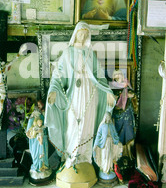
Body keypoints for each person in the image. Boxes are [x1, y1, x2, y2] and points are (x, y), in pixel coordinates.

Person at [45, 22, 116, 171]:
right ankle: (71, 156)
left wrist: (108, 91)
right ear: (75, 34)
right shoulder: (67, 53)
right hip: (74, 94)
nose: (83, 36)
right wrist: (53, 90)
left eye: (86, 34)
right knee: (72, 123)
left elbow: (99, 76)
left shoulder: (90, 53)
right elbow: (58, 75)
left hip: (90, 94)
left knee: (88, 124)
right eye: (81, 33)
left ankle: (84, 158)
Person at [109, 69, 136, 159]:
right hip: (117, 114)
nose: (119, 76)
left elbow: (133, 94)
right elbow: (110, 98)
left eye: (120, 74)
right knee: (117, 134)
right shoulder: (111, 86)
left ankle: (128, 154)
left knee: (129, 133)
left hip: (127, 113)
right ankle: (118, 155)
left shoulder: (126, 83)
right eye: (116, 75)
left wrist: (128, 94)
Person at [93, 112, 122, 180]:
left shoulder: (111, 125)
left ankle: (110, 168)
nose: (108, 118)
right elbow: (99, 135)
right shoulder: (102, 125)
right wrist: (97, 143)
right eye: (107, 117)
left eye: (109, 117)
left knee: (110, 155)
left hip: (110, 143)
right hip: (104, 144)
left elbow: (115, 133)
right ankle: (104, 169)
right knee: (104, 156)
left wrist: (117, 140)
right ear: (105, 117)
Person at [26, 110, 52, 181]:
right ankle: (37, 166)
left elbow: (46, 130)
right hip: (35, 141)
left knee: (44, 153)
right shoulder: (32, 118)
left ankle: (44, 166)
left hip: (43, 141)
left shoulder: (42, 116)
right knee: (36, 154)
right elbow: (28, 132)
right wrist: (36, 132)